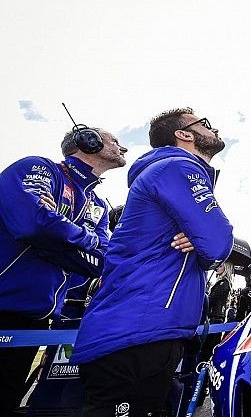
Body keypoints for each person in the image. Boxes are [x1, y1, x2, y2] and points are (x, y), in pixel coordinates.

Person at [71, 108, 234, 416]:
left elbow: (209, 244)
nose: (213, 129)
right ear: (184, 134)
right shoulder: (177, 166)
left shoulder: (171, 171)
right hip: (135, 333)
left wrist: (199, 240)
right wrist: (202, 241)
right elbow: (217, 243)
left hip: (147, 329)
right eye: (205, 124)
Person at [0, 127, 126, 413]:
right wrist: (83, 240)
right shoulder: (39, 168)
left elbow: (104, 260)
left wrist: (56, 235)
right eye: (115, 141)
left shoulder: (98, 205)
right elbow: (32, 225)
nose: (124, 148)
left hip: (35, 321)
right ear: (88, 141)